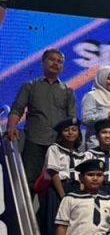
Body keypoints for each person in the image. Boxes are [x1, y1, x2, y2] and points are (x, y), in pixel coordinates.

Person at [6, 48, 77, 187]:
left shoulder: (68, 91)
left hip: (58, 145)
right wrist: (11, 126)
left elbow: (72, 119)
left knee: (56, 184)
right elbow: (17, 109)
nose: (55, 63)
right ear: (43, 63)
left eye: (59, 61)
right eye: (52, 60)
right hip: (34, 142)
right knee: (28, 183)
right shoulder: (30, 86)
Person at [37, 118, 86, 235]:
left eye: (74, 130)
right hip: (59, 188)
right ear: (60, 134)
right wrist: (63, 195)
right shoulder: (54, 149)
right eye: (66, 130)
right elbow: (53, 173)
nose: (70, 133)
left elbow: (82, 176)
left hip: (75, 188)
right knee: (56, 220)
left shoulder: (81, 154)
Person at [81, 66, 110, 151]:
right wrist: (108, 114)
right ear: (101, 79)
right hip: (97, 145)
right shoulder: (92, 96)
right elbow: (86, 119)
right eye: (109, 78)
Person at [87, 118, 110, 202]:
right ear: (97, 136)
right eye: (104, 132)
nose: (107, 136)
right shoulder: (89, 155)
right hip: (94, 189)